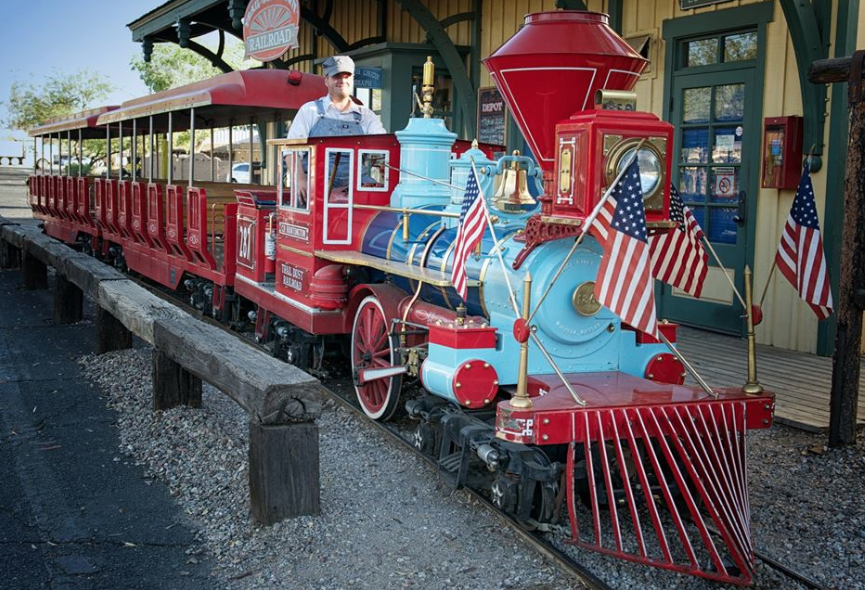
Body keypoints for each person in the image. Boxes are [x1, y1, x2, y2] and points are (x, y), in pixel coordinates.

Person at [287, 56, 385, 206]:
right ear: (326, 80)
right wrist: (300, 180)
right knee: (305, 197)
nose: (342, 80)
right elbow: (291, 150)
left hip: (354, 183)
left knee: (380, 199)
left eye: (347, 76)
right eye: (336, 76)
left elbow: (383, 147)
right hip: (317, 182)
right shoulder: (309, 111)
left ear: (352, 79)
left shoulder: (366, 116)